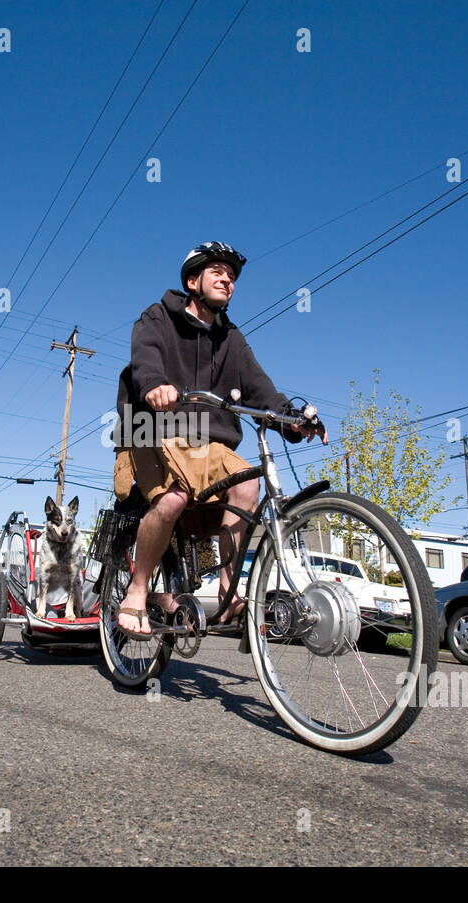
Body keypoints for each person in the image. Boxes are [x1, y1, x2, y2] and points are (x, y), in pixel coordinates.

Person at [111, 241, 326, 636]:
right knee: (173, 497)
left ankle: (230, 593)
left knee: (248, 483)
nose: (227, 279)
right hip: (149, 431)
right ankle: (137, 591)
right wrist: (155, 383)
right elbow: (146, 356)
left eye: (232, 276)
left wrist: (292, 419)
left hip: (203, 444)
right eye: (217, 272)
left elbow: (261, 389)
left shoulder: (232, 339)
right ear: (193, 281)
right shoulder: (158, 317)